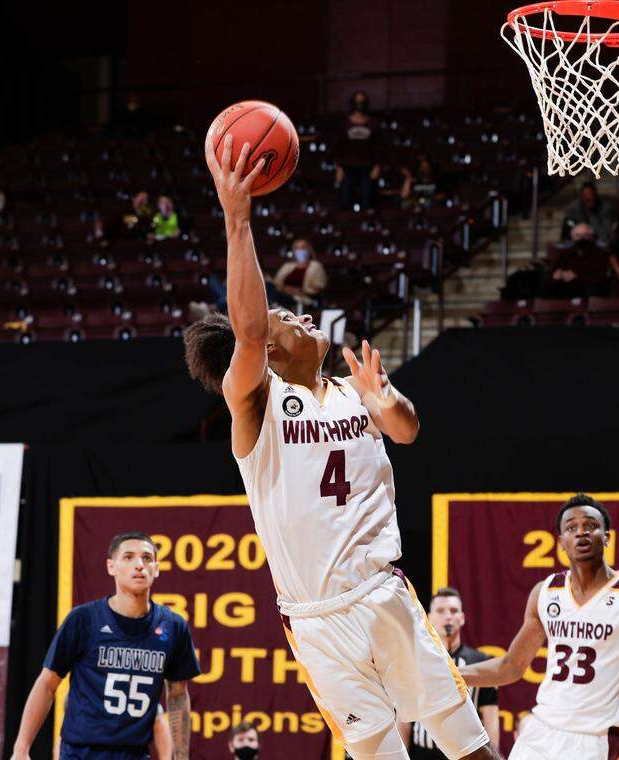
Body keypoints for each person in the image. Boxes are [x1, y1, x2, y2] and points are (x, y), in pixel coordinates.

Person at [184, 135, 501, 760]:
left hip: (383, 593)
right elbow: (246, 329)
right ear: (268, 352)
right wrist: (237, 217)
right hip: (316, 616)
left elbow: (409, 430)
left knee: (470, 746)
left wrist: (387, 401)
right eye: (287, 321)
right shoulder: (257, 404)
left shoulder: (353, 388)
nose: (303, 319)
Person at [460, 494, 619, 760]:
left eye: (590, 526)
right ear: (561, 542)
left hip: (593, 739)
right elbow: (511, 666)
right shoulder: (545, 592)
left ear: (606, 536)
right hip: (541, 730)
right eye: (571, 527)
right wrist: (455, 674)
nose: (581, 532)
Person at [10, 532, 201, 760]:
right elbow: (47, 684)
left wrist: (181, 757)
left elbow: (178, 695)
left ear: (157, 569)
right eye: (128, 557)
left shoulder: (173, 626)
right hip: (80, 752)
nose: (139, 565)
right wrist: (21, 749)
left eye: (147, 558)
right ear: (111, 566)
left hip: (134, 753)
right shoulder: (83, 619)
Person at [401, 588, 501, 757]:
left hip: (465, 755)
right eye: (440, 611)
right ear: (429, 618)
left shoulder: (481, 662)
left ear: (462, 618)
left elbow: (491, 721)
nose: (448, 616)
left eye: (454, 611)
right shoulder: (414, 661)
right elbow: (403, 720)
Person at [336, 91, 381, 211]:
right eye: (357, 101)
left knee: (367, 198)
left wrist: (377, 166)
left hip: (367, 165)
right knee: (345, 198)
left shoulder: (373, 123)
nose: (360, 104)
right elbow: (340, 146)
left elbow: (378, 146)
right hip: (348, 165)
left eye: (362, 102)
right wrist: (339, 167)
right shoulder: (345, 123)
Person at [272, 239, 328, 309]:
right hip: (283, 295)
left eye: (303, 247)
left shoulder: (315, 266)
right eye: (297, 248)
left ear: (309, 250)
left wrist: (297, 291)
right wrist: (285, 289)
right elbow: (277, 283)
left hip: (302, 298)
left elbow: (318, 288)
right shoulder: (287, 266)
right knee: (268, 286)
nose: (300, 251)